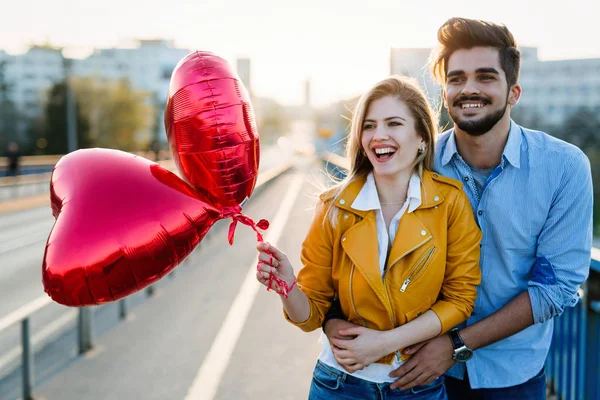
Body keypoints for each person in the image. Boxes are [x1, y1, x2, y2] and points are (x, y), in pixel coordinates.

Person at [324, 17, 594, 399]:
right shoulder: (414, 161)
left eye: (485, 77)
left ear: (514, 91)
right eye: (456, 79)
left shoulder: (564, 167)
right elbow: (351, 250)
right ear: (445, 91)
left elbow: (557, 288)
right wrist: (332, 319)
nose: (469, 89)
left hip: (512, 375)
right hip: (411, 376)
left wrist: (454, 345)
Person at [255, 75, 482, 399]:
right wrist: (288, 286)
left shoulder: (450, 202)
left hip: (417, 386)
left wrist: (386, 342)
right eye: (369, 125)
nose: (379, 136)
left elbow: (460, 300)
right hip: (339, 385)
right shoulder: (333, 207)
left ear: (421, 137)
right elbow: (310, 316)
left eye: (393, 123)